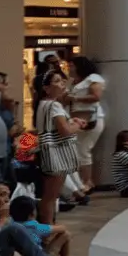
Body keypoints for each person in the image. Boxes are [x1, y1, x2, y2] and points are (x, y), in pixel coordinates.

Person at [33, 70, 82, 225]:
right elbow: (65, 131)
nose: (62, 84)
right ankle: (47, 228)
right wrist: (77, 124)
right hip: (56, 153)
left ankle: (46, 226)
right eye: (57, 81)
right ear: (46, 88)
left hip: (47, 151)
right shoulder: (54, 105)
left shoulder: (42, 104)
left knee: (48, 195)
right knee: (51, 196)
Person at [65, 57, 104, 193]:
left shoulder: (93, 79)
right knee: (77, 150)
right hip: (76, 117)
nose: (69, 68)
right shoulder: (72, 81)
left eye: (71, 66)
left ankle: (87, 181)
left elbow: (96, 96)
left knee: (83, 150)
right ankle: (83, 181)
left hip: (91, 117)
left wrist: (74, 98)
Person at [3, 195, 68, 256]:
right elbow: (63, 228)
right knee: (66, 234)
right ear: (32, 213)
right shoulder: (35, 227)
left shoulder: (9, 225)